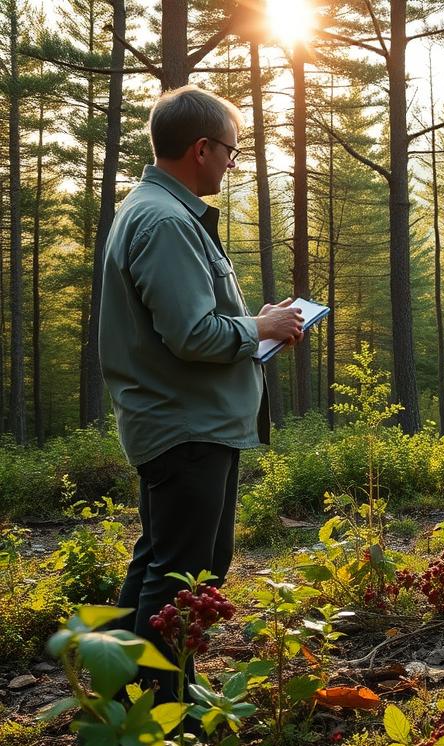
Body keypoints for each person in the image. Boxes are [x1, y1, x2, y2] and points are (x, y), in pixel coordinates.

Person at [99, 84, 304, 703]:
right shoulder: (165, 222)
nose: (233, 163)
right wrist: (257, 329)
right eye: (232, 152)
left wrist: (254, 323)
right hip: (187, 426)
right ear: (201, 148)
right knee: (186, 577)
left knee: (160, 565)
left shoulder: (154, 212)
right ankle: (165, 714)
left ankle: (115, 698)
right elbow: (191, 334)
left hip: (182, 421)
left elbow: (193, 319)